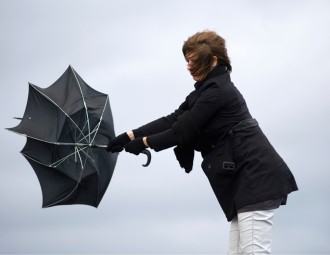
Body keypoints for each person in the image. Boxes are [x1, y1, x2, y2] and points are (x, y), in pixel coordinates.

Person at [107, 30, 298, 255]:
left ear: (213, 60)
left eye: (193, 60)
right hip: (244, 182)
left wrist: (144, 143)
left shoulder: (218, 92)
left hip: (256, 179)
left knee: (254, 252)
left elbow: (181, 131)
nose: (188, 66)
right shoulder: (204, 92)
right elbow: (173, 119)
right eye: (187, 60)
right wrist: (129, 136)